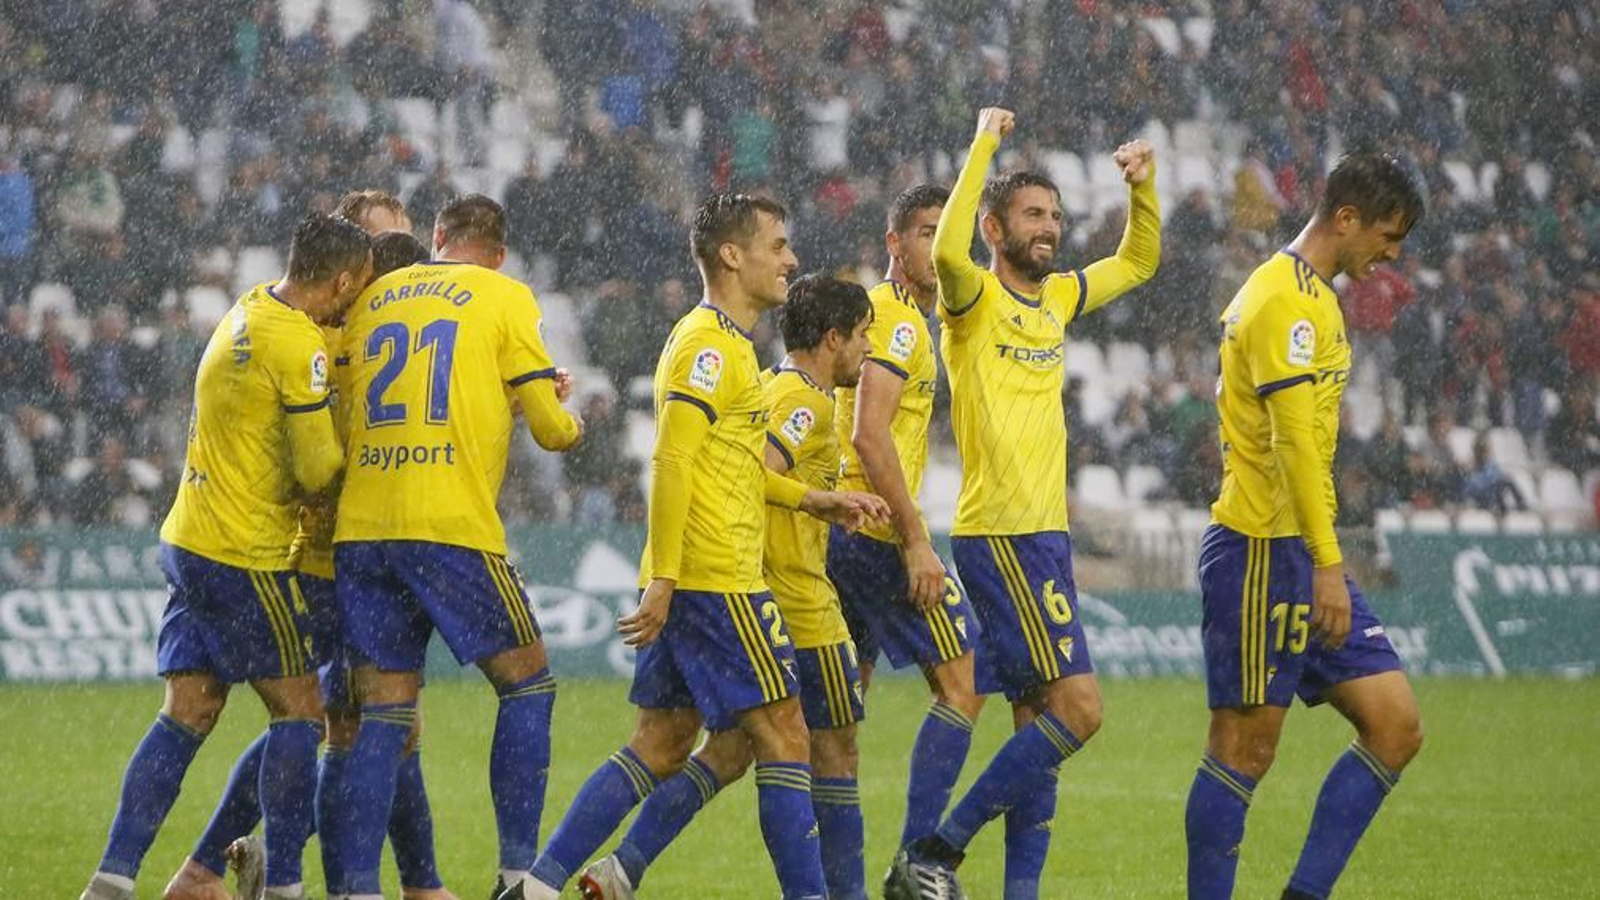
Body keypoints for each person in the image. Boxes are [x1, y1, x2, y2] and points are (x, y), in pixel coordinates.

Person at [505, 195, 887, 900]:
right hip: (716, 578)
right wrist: (668, 579)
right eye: (777, 245)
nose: (791, 259)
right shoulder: (708, 345)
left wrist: (814, 499)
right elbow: (673, 460)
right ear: (732, 256)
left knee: (662, 741)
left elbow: (736, 467)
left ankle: (537, 886)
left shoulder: (733, 347)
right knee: (784, 737)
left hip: (696, 576)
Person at [888, 107, 1161, 900]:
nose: (1051, 228)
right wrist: (983, 144)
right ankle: (935, 851)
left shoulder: (1059, 300)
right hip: (1003, 533)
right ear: (995, 228)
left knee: (1037, 718)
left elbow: (1139, 262)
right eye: (1034, 215)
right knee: (1082, 710)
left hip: (1042, 534)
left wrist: (1143, 189)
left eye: (1056, 216)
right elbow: (943, 249)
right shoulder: (969, 299)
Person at [164, 193, 460, 900]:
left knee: (351, 720)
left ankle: (235, 864)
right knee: (350, 720)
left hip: (361, 554)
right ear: (348, 268)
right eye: (382, 249)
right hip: (327, 558)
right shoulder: (322, 338)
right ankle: (360, 881)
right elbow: (314, 455)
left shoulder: (363, 328)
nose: (391, 267)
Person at [79, 214, 372, 900]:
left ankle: (113, 879)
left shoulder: (248, 308)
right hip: (244, 551)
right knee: (302, 709)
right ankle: (286, 887)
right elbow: (316, 467)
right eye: (353, 285)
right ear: (341, 278)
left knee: (190, 708)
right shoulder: (299, 344)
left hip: (189, 538)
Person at [577, 274, 876, 900]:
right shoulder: (808, 402)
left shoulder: (767, 382)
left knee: (727, 750)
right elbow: (755, 469)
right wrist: (817, 500)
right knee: (831, 752)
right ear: (832, 337)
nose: (870, 347)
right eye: (864, 334)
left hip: (745, 591)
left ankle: (621, 868)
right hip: (793, 601)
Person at [327, 194, 583, 900]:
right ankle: (515, 875)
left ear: (436, 237)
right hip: (449, 528)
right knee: (528, 683)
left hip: (363, 528)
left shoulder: (376, 298)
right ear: (499, 253)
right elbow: (553, 431)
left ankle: (354, 888)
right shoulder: (504, 295)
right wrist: (574, 414)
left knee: (381, 713)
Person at [1185, 152, 1426, 900]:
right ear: (1346, 219)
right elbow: (1292, 447)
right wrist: (1328, 565)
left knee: (1396, 725)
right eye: (1388, 235)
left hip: (1298, 548)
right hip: (1262, 549)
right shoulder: (1285, 301)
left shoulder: (1311, 295)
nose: (1392, 253)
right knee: (1243, 749)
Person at [826, 184, 992, 863]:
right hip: (875, 536)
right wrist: (916, 538)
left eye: (945, 232)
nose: (937, 245)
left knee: (833, 734)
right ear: (894, 244)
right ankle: (916, 861)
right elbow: (870, 435)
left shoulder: (894, 317)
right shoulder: (894, 318)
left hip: (844, 532)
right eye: (925, 232)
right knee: (965, 683)